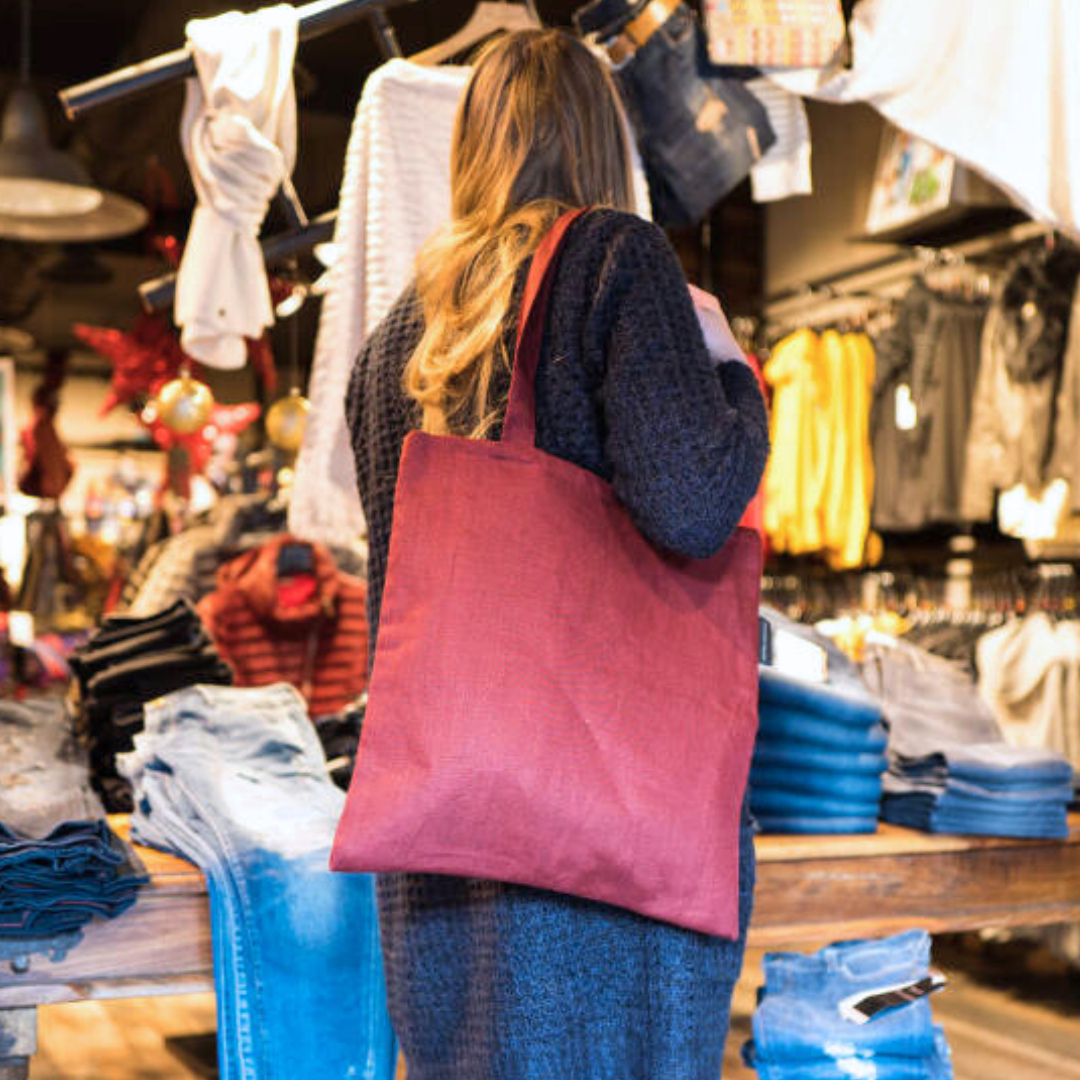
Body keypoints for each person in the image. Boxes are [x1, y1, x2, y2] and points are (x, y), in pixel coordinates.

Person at [345, 28, 769, 1080]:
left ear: (471, 148)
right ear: (600, 139)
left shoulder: (399, 334)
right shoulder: (617, 259)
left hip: (446, 832)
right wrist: (731, 378)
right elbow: (691, 505)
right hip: (606, 834)